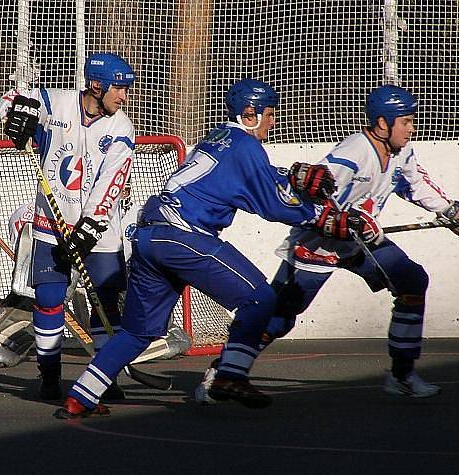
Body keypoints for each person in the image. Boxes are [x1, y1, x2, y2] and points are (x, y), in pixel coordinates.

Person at [53, 77, 378, 418]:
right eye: (269, 114)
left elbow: (258, 178)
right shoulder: (244, 145)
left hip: (151, 237)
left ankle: (80, 398)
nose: (273, 121)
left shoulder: (220, 138)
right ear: (249, 113)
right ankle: (231, 375)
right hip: (181, 236)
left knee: (137, 332)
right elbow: (269, 202)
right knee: (260, 297)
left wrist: (290, 176)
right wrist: (322, 218)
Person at [196, 84, 459, 403]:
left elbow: (414, 183)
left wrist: (452, 211)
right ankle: (225, 372)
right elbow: (310, 194)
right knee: (279, 318)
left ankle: (402, 375)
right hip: (318, 244)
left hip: (361, 243)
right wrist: (342, 219)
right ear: (382, 123)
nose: (411, 127)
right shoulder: (353, 153)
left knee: (412, 281)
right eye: (405, 121)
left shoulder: (401, 150)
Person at [0, 52, 137, 401]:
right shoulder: (55, 103)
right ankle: (49, 373)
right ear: (96, 85)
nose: (124, 96)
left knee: (105, 302)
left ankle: (105, 376)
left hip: (99, 229)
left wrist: (89, 227)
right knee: (48, 297)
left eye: (126, 90)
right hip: (52, 223)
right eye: (118, 89)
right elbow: (11, 100)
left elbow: (111, 181)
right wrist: (13, 117)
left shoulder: (121, 127)